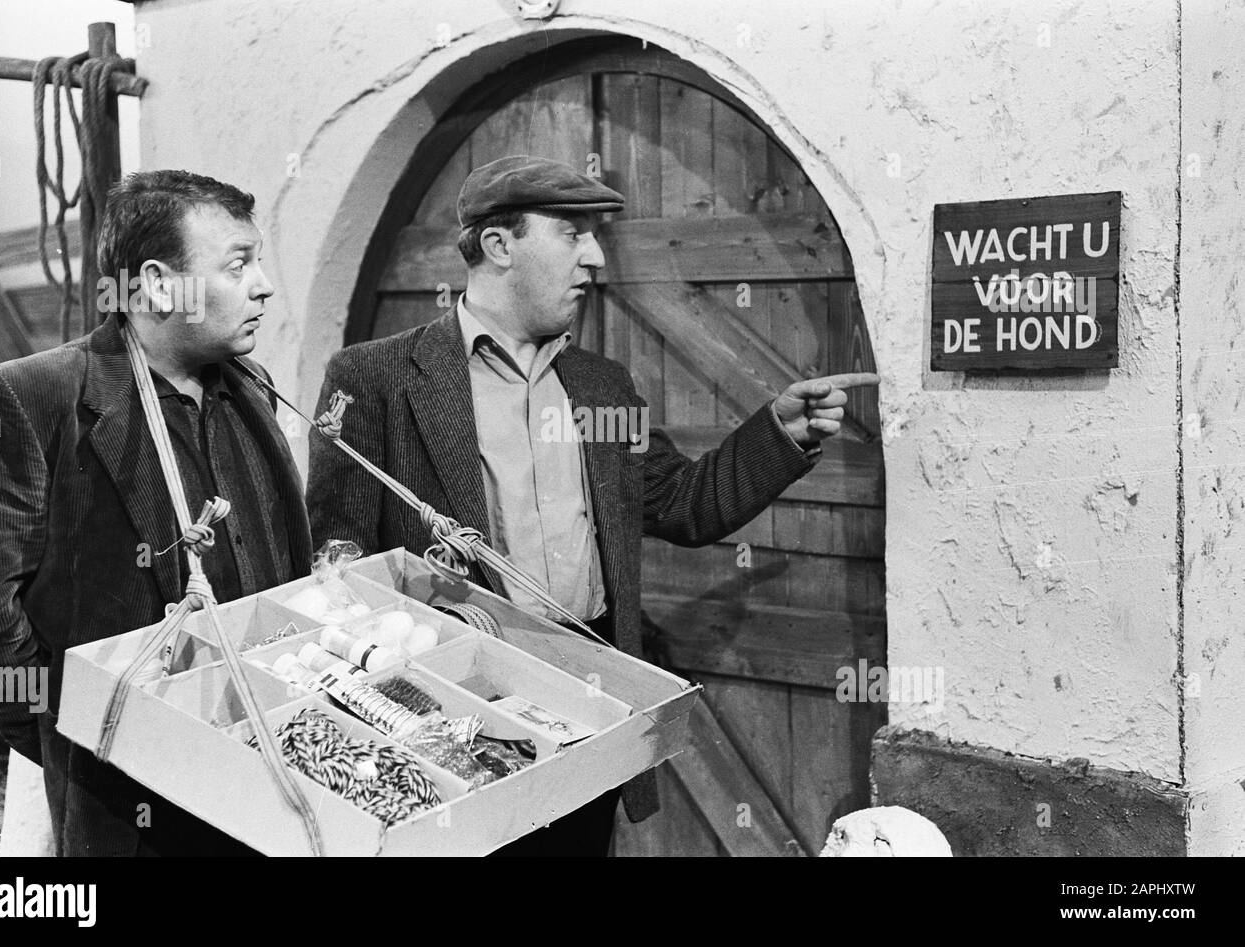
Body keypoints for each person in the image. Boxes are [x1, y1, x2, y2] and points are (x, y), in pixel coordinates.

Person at [305, 155, 879, 856]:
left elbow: (683, 503)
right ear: (498, 245)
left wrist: (778, 434)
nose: (595, 256)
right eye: (572, 233)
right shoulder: (376, 378)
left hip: (586, 704)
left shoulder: (599, 385)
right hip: (455, 715)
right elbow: (341, 572)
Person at [0, 170, 313, 856]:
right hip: (131, 808)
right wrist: (84, 741)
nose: (263, 283)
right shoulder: (31, 398)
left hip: (270, 772)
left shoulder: (251, 386)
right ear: (156, 282)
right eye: (239, 263)